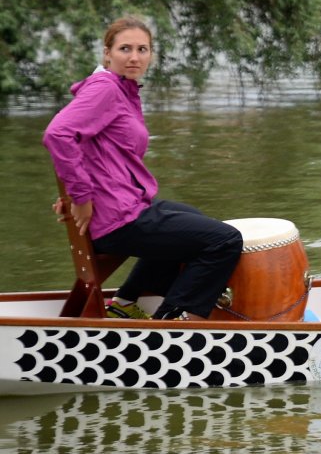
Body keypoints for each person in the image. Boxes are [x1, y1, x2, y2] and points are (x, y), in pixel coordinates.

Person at [42, 17, 243, 321]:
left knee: (193, 220)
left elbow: (89, 149)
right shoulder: (105, 89)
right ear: (107, 53)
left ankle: (126, 303)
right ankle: (175, 323)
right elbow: (58, 134)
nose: (134, 57)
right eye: (125, 48)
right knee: (225, 240)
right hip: (117, 219)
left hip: (124, 206)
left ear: (151, 55)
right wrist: (81, 198)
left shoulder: (123, 90)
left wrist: (73, 192)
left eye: (142, 49)